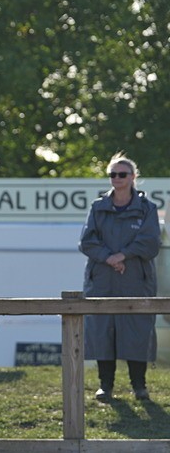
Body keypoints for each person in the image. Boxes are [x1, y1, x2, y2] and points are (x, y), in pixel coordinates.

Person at [79, 153, 159, 402]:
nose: (116, 178)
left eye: (122, 174)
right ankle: (106, 386)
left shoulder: (147, 208)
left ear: (133, 177)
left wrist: (123, 255)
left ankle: (139, 386)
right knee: (103, 331)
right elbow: (86, 241)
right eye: (112, 174)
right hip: (103, 279)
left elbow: (150, 243)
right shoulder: (97, 207)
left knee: (137, 331)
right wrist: (110, 258)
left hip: (136, 279)